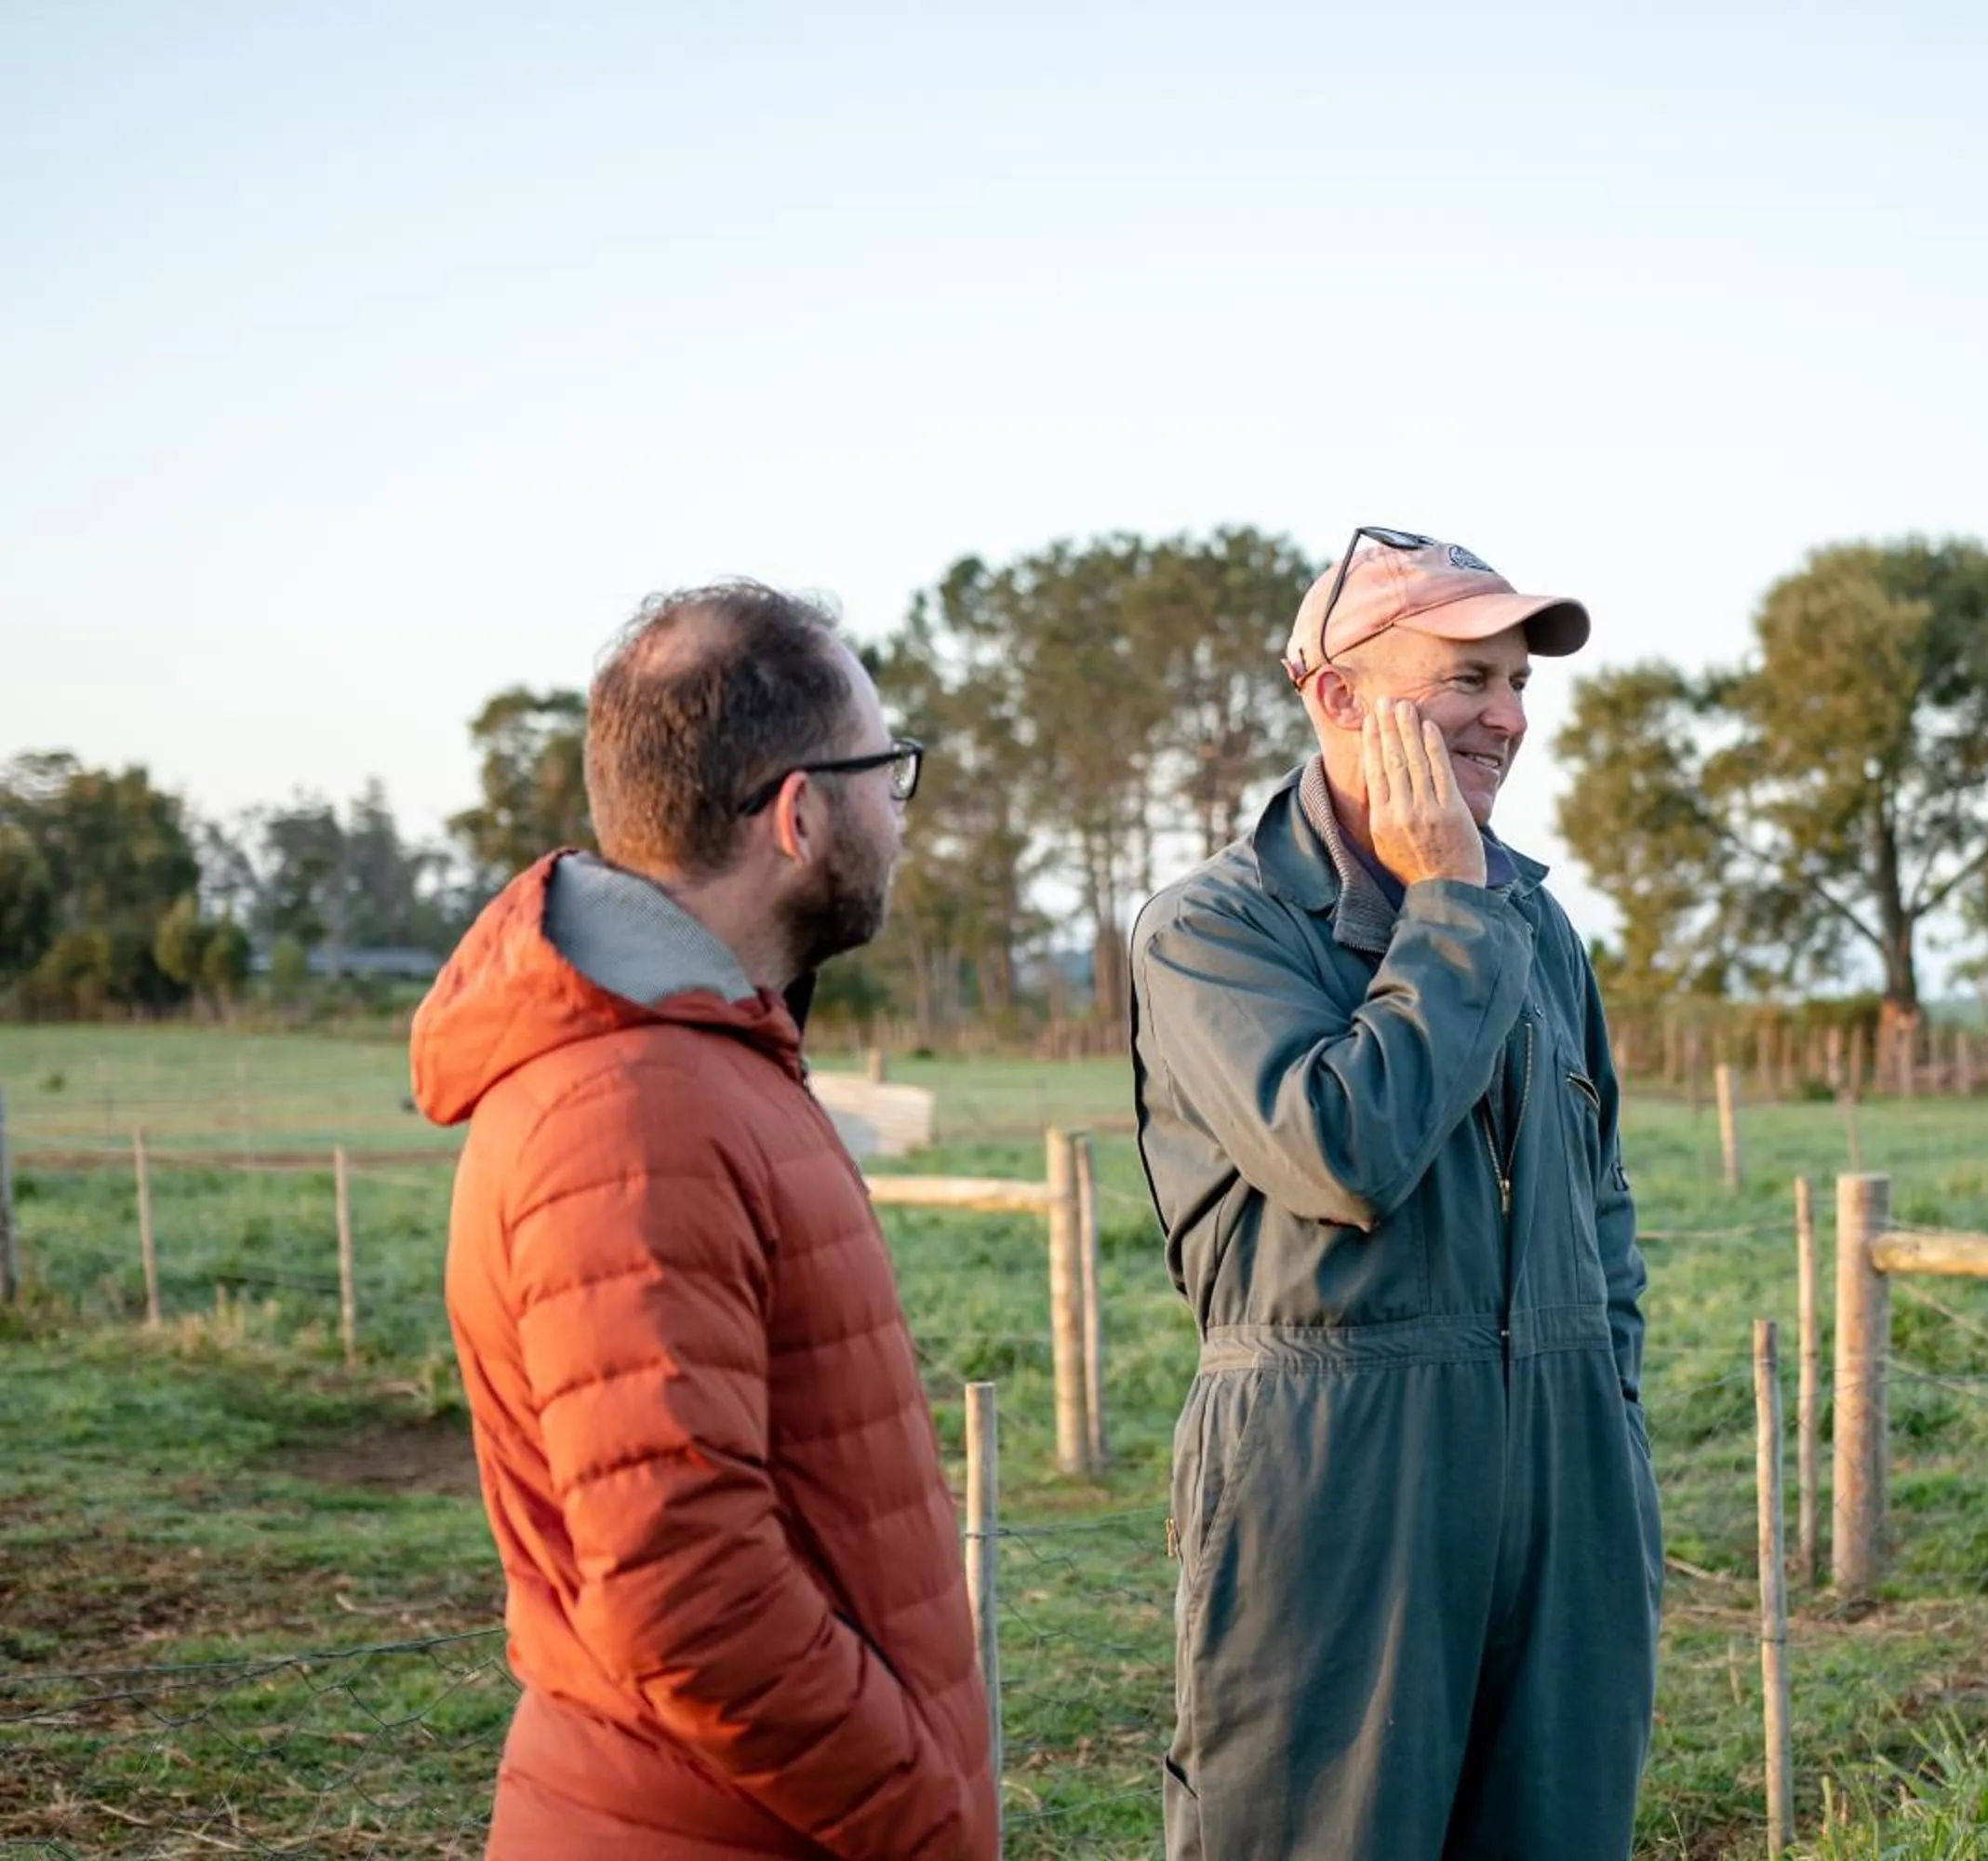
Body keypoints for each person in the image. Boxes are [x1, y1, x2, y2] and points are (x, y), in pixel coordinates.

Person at [409, 582, 997, 1860]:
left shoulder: (706, 1063)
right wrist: (923, 1816)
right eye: (884, 771)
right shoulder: (633, 1111)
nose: (897, 815)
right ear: (799, 813)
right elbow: (688, 1593)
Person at [1128, 528, 1662, 1859]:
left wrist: (1611, 1425)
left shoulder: (1538, 925)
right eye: (1467, 677)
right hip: (1335, 1473)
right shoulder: (1216, 928)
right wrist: (1448, 908)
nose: (1506, 717)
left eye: (1519, 683)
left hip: (1565, 1473)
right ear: (1339, 696)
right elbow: (1344, 1155)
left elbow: (1601, 1210)